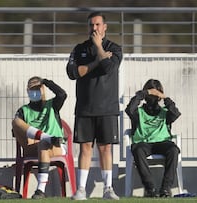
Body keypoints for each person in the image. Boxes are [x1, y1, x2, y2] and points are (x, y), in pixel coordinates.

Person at [66, 11, 122, 200]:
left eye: (98, 25)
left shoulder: (115, 48)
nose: (94, 28)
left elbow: (108, 68)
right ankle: (81, 189)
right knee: (85, 148)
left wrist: (99, 48)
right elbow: (73, 72)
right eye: (91, 25)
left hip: (107, 108)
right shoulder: (79, 49)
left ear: (105, 27)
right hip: (85, 108)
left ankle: (108, 188)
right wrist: (97, 59)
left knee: (106, 148)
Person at [12, 76, 67, 199]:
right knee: (16, 121)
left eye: (37, 88)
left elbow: (62, 94)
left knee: (44, 145)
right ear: (27, 91)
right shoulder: (23, 110)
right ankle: (45, 137)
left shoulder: (52, 105)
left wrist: (46, 82)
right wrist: (40, 137)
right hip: (32, 146)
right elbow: (17, 129)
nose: (34, 91)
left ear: (43, 89)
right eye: (31, 88)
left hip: (56, 146)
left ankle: (40, 190)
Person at [125, 79, 181, 198]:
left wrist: (165, 97)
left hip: (162, 143)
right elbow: (129, 109)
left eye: (156, 94)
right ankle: (151, 189)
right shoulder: (138, 112)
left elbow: (175, 113)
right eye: (151, 94)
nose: (153, 97)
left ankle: (165, 189)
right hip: (143, 143)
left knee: (174, 150)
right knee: (137, 150)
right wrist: (143, 94)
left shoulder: (165, 112)